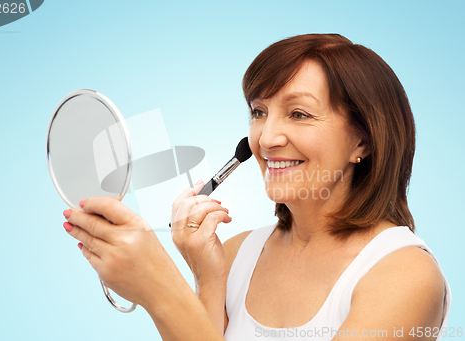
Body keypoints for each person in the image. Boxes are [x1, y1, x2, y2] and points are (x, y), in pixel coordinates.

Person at [61, 34, 451, 340]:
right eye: (259, 111)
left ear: (362, 141)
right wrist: (206, 279)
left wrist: (160, 288)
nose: (266, 139)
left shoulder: (404, 274)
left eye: (298, 113)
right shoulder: (234, 255)